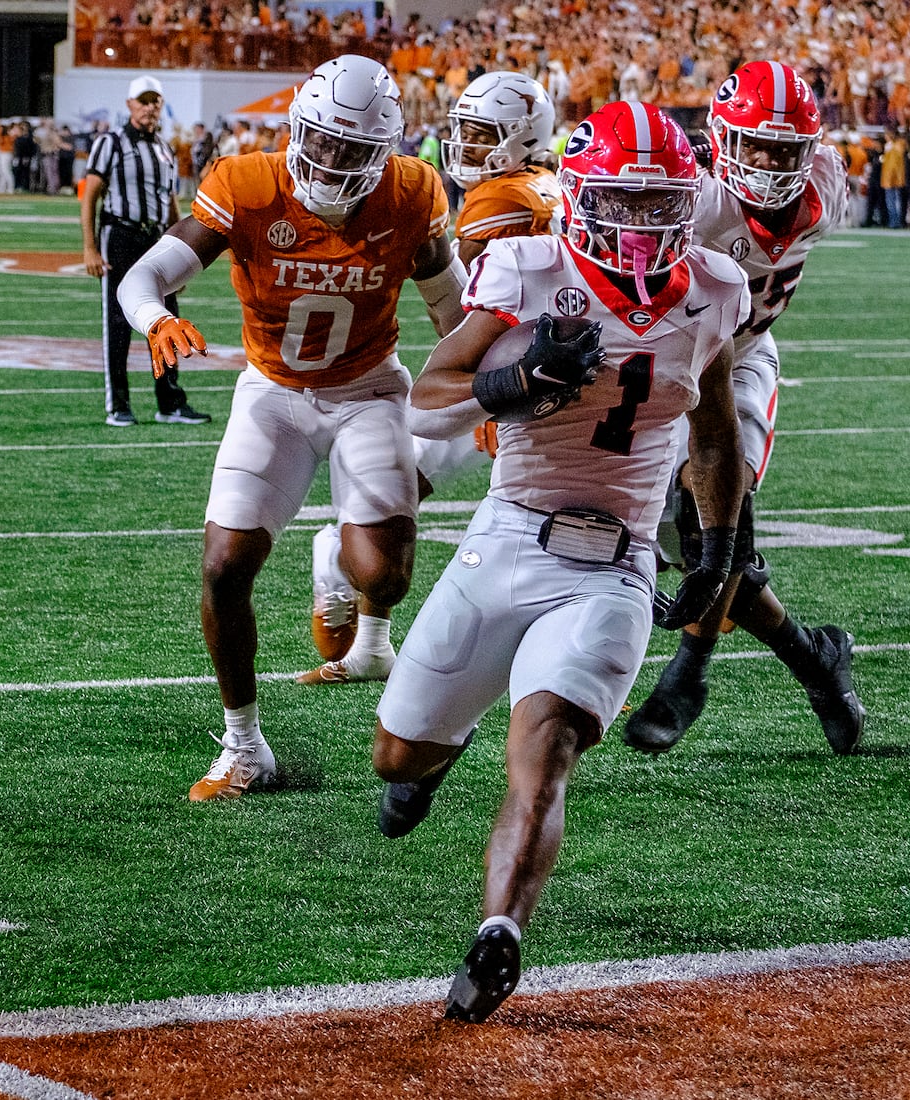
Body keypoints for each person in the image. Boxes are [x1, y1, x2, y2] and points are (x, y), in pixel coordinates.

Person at [372, 102, 748, 1023]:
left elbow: (714, 426)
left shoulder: (713, 290)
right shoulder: (525, 266)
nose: (642, 226)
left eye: (662, 205)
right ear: (577, 195)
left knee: (544, 756)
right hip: (506, 536)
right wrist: (514, 382)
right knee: (397, 757)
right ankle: (432, 756)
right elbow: (425, 402)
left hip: (613, 562)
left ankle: (499, 934)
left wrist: (721, 546)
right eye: (623, 201)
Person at [115, 55, 468, 800]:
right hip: (272, 391)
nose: (334, 160)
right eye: (324, 140)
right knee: (222, 566)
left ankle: (335, 563)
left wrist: (482, 394)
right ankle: (243, 746)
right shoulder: (246, 183)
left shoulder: (412, 191)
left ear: (388, 151)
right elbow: (141, 277)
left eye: (355, 149)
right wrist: (158, 320)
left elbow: (454, 314)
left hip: (369, 390)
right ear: (296, 129)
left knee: (386, 576)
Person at [624, 61, 864, 757]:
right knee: (691, 543)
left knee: (716, 515)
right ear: (721, 140)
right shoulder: (690, 196)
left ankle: (688, 675)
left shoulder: (825, 180)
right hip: (672, 362)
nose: (769, 162)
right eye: (754, 145)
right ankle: (815, 659)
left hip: (745, 356)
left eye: (786, 149)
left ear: (811, 152)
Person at [305, 69, 560, 668]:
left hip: (493, 383)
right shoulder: (554, 185)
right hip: (541, 377)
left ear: (524, 135)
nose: (467, 145)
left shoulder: (500, 197)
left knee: (396, 497)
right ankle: (370, 645)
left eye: (482, 133)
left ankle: (332, 564)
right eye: (465, 131)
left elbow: (454, 292)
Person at [81, 75, 210, 428]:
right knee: (119, 320)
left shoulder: (164, 148)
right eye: (143, 100)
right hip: (120, 234)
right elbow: (91, 193)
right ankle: (118, 404)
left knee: (167, 318)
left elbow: (170, 202)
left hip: (156, 238)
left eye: (155, 101)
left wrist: (180, 254)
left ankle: (169, 401)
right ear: (129, 105)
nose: (150, 107)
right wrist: (90, 246)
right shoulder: (111, 142)